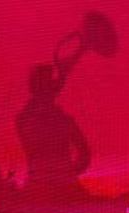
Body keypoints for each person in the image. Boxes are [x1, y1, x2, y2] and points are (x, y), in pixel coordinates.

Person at [15, 62, 91, 205]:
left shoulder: (24, 119)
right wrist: (68, 172)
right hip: (54, 188)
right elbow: (84, 153)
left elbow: (84, 153)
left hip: (41, 188)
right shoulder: (62, 120)